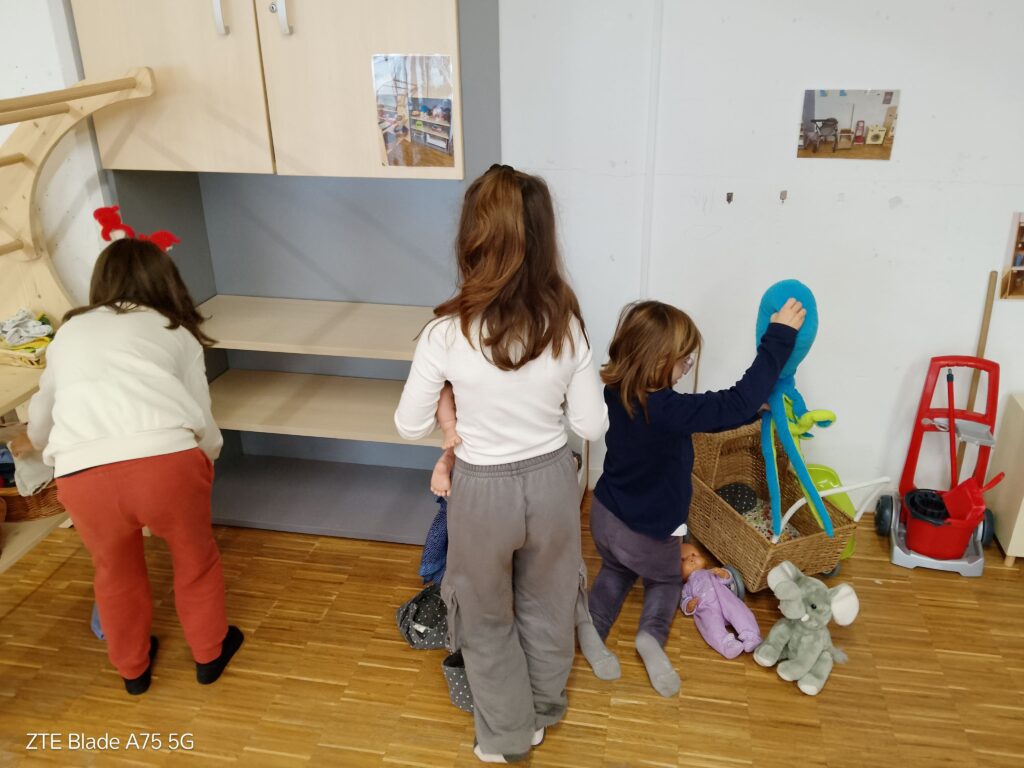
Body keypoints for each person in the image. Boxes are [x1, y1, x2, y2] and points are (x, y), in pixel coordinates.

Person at [394, 164, 608, 763]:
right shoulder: (567, 326)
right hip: (553, 482)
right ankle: (542, 713)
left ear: (472, 237)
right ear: (544, 239)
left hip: (481, 491)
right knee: (548, 604)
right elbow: (592, 427)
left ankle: (508, 736)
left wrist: (450, 416)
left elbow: (407, 424)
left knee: (485, 615)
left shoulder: (444, 333)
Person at [10, 235, 243, 695]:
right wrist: (206, 460)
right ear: (167, 281)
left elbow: (45, 411)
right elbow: (201, 416)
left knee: (114, 573)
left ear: (102, 282)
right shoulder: (175, 330)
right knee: (196, 561)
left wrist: (32, 442)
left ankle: (133, 672)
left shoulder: (71, 331)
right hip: (166, 464)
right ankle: (209, 655)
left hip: (83, 474)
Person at [588, 297, 803, 696]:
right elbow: (733, 403)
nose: (687, 367)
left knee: (615, 572)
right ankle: (650, 637)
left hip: (604, 517)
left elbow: (726, 411)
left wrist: (750, 410)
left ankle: (590, 627)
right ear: (656, 361)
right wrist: (780, 336)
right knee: (665, 581)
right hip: (647, 535)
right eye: (683, 360)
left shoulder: (617, 390)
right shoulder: (668, 409)